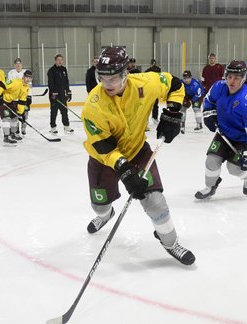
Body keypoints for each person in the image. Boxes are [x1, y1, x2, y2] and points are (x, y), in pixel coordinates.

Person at [82, 46, 195, 266]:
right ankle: (105, 215)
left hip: (137, 151)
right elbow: (102, 146)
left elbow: (174, 84)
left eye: (113, 78)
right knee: (99, 206)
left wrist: (173, 114)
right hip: (103, 160)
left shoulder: (145, 83)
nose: (107, 85)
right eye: (102, 78)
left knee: (156, 203)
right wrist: (124, 170)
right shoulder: (93, 106)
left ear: (125, 74)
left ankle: (170, 242)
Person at [196, 60, 247, 199]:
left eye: (237, 78)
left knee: (234, 168)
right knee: (211, 161)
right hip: (224, 133)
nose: (231, 81)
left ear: (243, 79)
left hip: (244, 139)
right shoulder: (218, 87)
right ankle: (210, 186)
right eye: (229, 77)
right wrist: (209, 114)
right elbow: (209, 100)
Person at [0, 70, 32, 145]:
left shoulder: (26, 88)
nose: (28, 79)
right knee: (6, 118)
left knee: (15, 117)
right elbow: (0, 84)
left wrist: (21, 113)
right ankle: (6, 137)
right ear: (23, 77)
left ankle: (13, 134)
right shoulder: (15, 82)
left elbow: (22, 101)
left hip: (10, 102)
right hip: (2, 101)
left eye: (30, 78)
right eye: (26, 77)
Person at [47, 54, 73, 134]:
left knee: (64, 111)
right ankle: (53, 127)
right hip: (54, 95)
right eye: (58, 60)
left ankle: (66, 126)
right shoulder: (51, 70)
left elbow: (66, 81)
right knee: (54, 112)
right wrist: (53, 93)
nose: (60, 61)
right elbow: (50, 83)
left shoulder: (64, 69)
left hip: (62, 95)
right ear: (55, 60)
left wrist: (68, 91)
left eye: (61, 60)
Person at [7, 57, 31, 135]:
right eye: (16, 64)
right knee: (15, 115)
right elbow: (10, 85)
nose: (18, 65)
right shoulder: (11, 73)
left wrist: (29, 96)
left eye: (19, 63)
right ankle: (16, 129)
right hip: (14, 98)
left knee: (25, 114)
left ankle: (23, 128)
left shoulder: (26, 72)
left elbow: (29, 85)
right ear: (14, 65)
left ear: (21, 64)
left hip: (24, 97)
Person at [145, 59, 162, 125]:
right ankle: (146, 119)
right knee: (148, 105)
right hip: (149, 89)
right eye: (152, 63)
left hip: (156, 88)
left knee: (155, 104)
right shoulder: (147, 71)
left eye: (154, 63)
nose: (153, 64)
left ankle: (155, 117)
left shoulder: (158, 69)